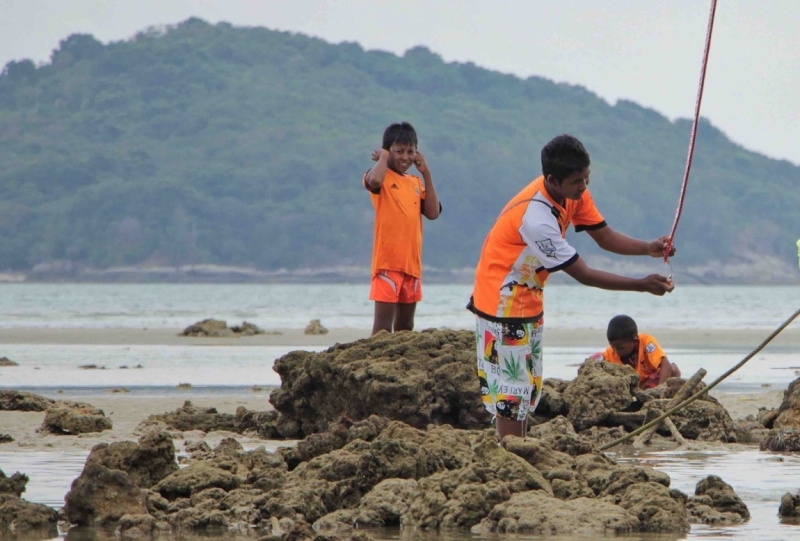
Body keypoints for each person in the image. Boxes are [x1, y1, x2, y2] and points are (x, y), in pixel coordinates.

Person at [468, 134, 675, 441]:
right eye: (577, 181)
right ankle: (510, 451)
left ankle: (517, 448)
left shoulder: (573, 193)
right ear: (552, 180)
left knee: (529, 385)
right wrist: (641, 285)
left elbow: (604, 236)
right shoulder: (537, 219)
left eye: (587, 178)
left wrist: (648, 248)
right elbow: (584, 274)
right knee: (511, 390)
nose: (584, 186)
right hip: (500, 303)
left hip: (529, 297)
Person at [364, 122, 441, 335]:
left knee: (406, 327)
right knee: (382, 328)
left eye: (410, 151)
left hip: (411, 265)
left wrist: (426, 174)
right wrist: (383, 158)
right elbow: (374, 180)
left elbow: (433, 213)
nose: (405, 157)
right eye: (399, 151)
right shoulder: (381, 177)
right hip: (388, 263)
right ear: (388, 150)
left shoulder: (415, 182)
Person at [590, 314, 681, 389]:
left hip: (649, 384)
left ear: (635, 341)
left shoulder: (646, 342)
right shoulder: (609, 354)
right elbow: (589, 366)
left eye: (620, 348)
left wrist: (660, 389)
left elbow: (666, 365)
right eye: (613, 347)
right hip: (626, 388)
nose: (616, 351)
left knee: (674, 369)